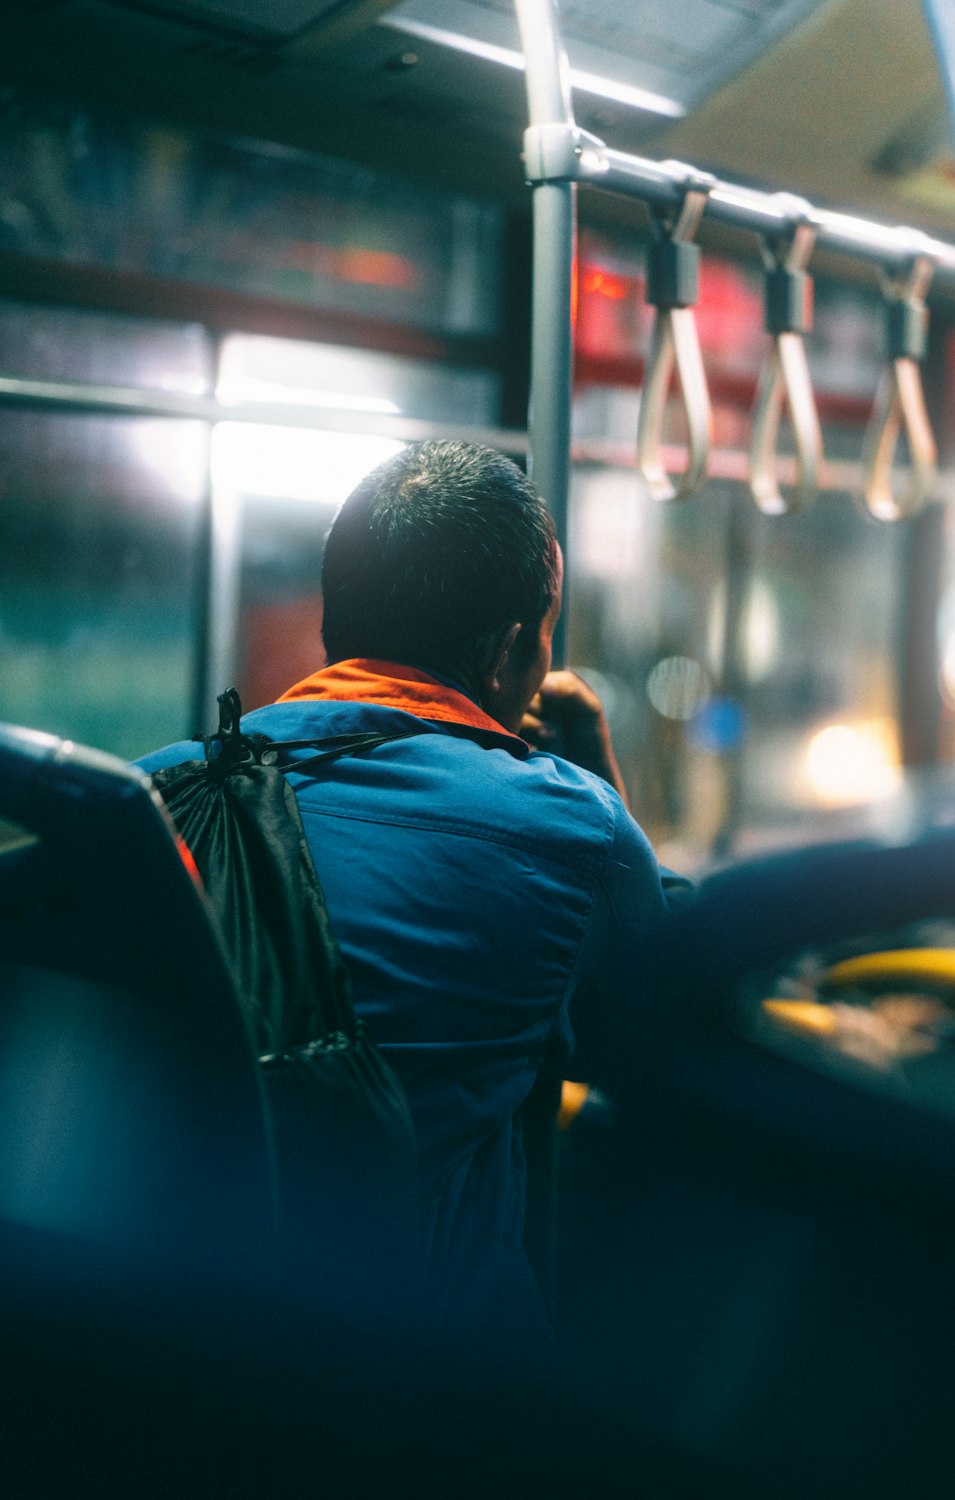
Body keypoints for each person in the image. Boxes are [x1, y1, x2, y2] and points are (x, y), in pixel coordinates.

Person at [138, 440, 679, 1338]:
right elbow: (661, 1022)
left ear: (332, 624)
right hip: (421, 1397)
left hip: (153, 1336)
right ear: (513, 649)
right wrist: (600, 784)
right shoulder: (568, 825)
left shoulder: (151, 793)